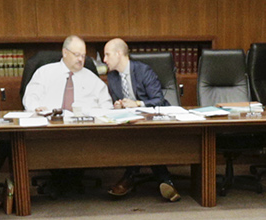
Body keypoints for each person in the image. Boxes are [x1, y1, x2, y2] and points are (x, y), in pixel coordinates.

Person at [100, 40, 178, 201]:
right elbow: (118, 100)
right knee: (139, 137)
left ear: (119, 54)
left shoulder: (143, 70)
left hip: (155, 119)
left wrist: (137, 104)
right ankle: (165, 180)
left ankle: (129, 177)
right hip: (132, 123)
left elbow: (158, 99)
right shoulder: (112, 76)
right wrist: (119, 105)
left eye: (107, 54)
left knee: (145, 137)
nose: (104, 59)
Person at [23, 36, 111, 114]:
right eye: (76, 55)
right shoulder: (44, 73)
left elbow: (107, 106)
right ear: (65, 52)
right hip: (50, 124)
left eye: (83, 56)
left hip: (84, 126)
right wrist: (37, 108)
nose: (80, 59)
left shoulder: (93, 80)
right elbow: (30, 97)